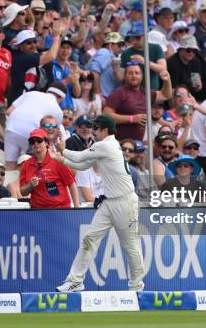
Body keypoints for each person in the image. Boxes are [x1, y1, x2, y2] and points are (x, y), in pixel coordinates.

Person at [54, 114, 144, 292]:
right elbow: (83, 166)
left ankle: (136, 286)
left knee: (130, 245)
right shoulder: (103, 146)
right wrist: (60, 158)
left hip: (125, 202)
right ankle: (75, 281)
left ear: (105, 130)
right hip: (108, 203)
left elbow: (79, 158)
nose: (93, 132)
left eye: (96, 128)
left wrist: (63, 149)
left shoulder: (107, 145)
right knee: (89, 239)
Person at [4, 82, 66, 169]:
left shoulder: (31, 93)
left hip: (11, 128)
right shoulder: (58, 110)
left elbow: (8, 112)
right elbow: (53, 133)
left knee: (9, 166)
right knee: (33, 166)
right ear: (61, 99)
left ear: (48, 91)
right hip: (31, 135)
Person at [104, 64, 173, 141]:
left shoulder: (145, 93)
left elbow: (165, 95)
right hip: (119, 142)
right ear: (125, 76)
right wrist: (132, 119)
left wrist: (167, 80)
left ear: (142, 76)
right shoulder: (118, 93)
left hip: (138, 145)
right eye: (130, 73)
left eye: (137, 73)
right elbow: (106, 116)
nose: (134, 76)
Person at [19, 128, 79, 208]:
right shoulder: (26, 164)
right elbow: (23, 192)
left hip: (60, 209)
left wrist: (76, 208)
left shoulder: (57, 160)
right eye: (32, 141)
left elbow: (71, 184)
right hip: (37, 211)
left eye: (39, 140)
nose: (35, 143)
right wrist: (30, 185)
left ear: (46, 142)